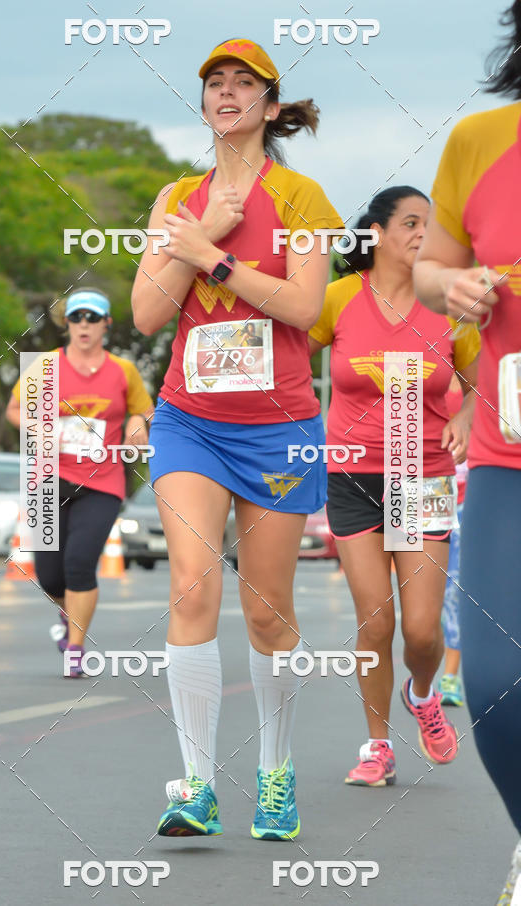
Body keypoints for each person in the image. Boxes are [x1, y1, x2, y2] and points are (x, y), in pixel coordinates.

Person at [131, 38, 342, 839]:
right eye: (215, 82)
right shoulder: (176, 197)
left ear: (270, 106)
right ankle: (195, 786)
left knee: (267, 613)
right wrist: (191, 242)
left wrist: (211, 254)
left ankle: (275, 774)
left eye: (243, 82)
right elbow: (147, 314)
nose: (226, 92)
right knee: (192, 586)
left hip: (278, 431)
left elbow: (305, 309)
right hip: (190, 421)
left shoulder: (302, 198)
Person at [308, 186, 480, 788]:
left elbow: (478, 383)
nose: (422, 234)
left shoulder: (450, 307)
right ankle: (376, 745)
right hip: (352, 475)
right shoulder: (337, 299)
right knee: (375, 620)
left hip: (422, 476)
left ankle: (423, 694)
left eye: (430, 225)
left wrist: (465, 417)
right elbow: (288, 362)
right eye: (410, 222)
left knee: (422, 631)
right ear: (376, 233)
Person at [414, 2, 521, 899]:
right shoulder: (481, 139)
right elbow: (426, 269)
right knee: (493, 680)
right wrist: (454, 284)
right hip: (508, 455)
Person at [6, 288, 154, 676]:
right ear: (66, 324)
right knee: (50, 576)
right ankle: (65, 611)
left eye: (92, 317)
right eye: (76, 317)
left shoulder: (123, 370)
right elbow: (15, 409)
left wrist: (136, 427)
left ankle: (75, 647)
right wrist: (39, 427)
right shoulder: (45, 367)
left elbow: (143, 411)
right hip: (48, 478)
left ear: (106, 324)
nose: (84, 324)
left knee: (79, 564)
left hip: (102, 480)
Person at [438, 376, 467, 708]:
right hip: (423, 496)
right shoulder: (421, 374)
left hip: (468, 502)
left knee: (455, 591)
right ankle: (420, 675)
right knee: (422, 594)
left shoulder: (483, 383)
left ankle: (450, 676)